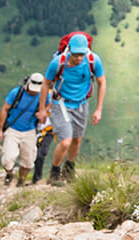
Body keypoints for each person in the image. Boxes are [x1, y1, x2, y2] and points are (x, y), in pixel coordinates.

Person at [41, 33, 105, 183]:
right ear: (69, 49)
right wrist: (43, 109)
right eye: (75, 54)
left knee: (77, 140)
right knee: (65, 141)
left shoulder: (93, 60)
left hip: (82, 104)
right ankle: (54, 173)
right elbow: (45, 84)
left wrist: (99, 109)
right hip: (60, 104)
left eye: (81, 54)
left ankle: (69, 170)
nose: (78, 58)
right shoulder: (58, 62)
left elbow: (101, 82)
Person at [0, 72, 49, 186]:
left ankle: (21, 180)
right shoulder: (16, 93)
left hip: (30, 130)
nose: (34, 91)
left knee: (28, 160)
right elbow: (4, 109)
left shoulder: (44, 95)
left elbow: (51, 103)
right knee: (8, 158)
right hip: (13, 129)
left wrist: (42, 111)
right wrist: (0, 129)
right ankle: (9, 174)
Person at [32, 115, 54, 184]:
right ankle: (35, 177)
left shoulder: (54, 105)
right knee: (34, 154)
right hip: (34, 131)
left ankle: (37, 178)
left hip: (48, 132)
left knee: (41, 154)